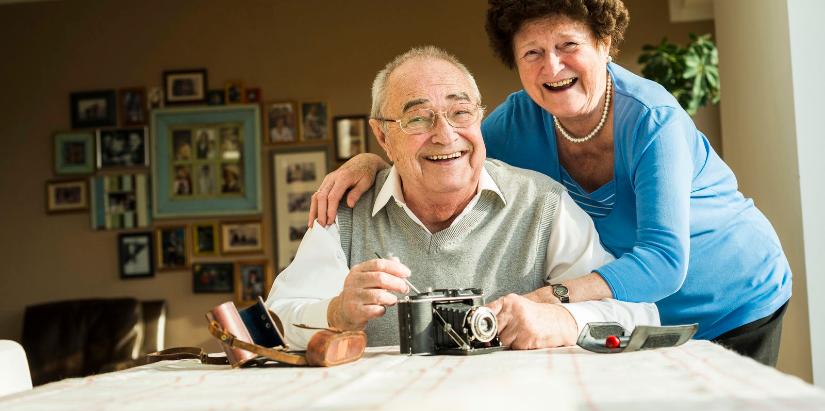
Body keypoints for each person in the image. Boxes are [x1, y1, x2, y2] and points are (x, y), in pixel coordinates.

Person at [309, 0, 792, 366]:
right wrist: (375, 161)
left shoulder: (651, 120)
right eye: (533, 53)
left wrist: (550, 298)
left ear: (604, 44)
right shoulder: (517, 123)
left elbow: (665, 264)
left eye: (568, 46)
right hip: (640, 318)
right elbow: (448, 150)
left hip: (734, 299)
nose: (552, 67)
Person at [266, 46, 658, 351]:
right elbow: (274, 324)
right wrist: (336, 312)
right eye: (418, 118)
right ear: (383, 136)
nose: (445, 134)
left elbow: (640, 314)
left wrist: (563, 322)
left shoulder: (542, 204)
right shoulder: (346, 209)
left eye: (460, 112)